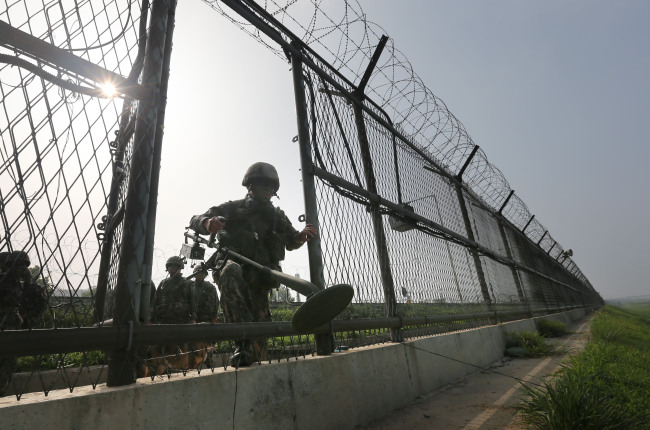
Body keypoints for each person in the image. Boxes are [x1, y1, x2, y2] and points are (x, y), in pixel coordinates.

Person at [189, 162, 317, 367]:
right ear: (250, 186)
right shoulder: (233, 208)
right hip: (235, 276)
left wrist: (301, 237)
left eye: (271, 187)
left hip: (260, 281)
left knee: (260, 344)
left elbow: (291, 239)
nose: (268, 190)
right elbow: (196, 219)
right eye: (263, 185)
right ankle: (242, 341)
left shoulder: (276, 216)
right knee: (230, 270)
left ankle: (251, 349)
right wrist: (207, 223)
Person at [0, 251, 47, 396]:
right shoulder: (10, 280)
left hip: (11, 325)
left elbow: (40, 299)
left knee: (7, 363)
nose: (21, 269)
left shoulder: (21, 282)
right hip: (10, 324)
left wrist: (24, 317)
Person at [149, 256, 197, 374]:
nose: (172, 268)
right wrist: (151, 318)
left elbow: (193, 302)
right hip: (163, 323)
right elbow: (155, 302)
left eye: (175, 266)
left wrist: (193, 318)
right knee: (159, 351)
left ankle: (183, 371)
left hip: (181, 323)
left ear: (180, 267)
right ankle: (158, 371)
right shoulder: (163, 284)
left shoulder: (187, 284)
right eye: (170, 266)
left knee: (182, 351)